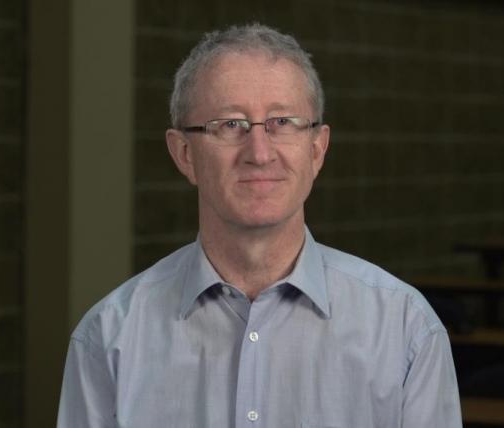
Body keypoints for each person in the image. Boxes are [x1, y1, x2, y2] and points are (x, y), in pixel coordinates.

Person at [58, 23, 462, 427]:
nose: (259, 153)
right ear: (184, 154)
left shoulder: (405, 329)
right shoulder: (109, 337)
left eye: (282, 122)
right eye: (230, 124)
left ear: (317, 150)